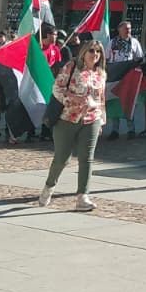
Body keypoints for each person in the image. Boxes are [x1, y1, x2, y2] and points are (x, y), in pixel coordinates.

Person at [39, 39, 106, 211]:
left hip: (91, 118)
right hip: (67, 118)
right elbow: (57, 88)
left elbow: (101, 99)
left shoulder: (100, 73)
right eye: (91, 50)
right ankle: (49, 186)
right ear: (84, 51)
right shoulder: (71, 67)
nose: (95, 54)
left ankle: (82, 196)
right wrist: (73, 98)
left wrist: (101, 120)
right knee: (62, 158)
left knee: (87, 158)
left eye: (98, 51)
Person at [105, 20, 144, 141]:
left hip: (128, 77)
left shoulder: (134, 42)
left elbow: (140, 58)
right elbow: (106, 59)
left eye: (130, 28)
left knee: (128, 102)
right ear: (119, 30)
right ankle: (114, 130)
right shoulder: (112, 43)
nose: (128, 31)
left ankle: (131, 129)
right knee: (114, 102)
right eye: (126, 28)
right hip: (115, 76)